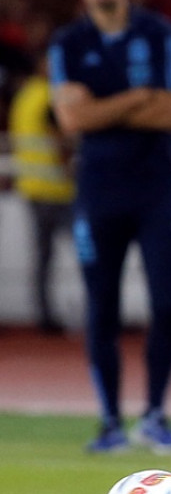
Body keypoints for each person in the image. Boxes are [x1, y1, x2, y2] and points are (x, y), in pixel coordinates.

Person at [49, 0, 171, 454]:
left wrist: (100, 108)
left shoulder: (159, 34)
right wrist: (138, 98)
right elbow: (71, 119)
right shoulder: (67, 43)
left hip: (159, 192)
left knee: (167, 304)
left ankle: (155, 414)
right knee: (101, 310)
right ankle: (110, 421)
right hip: (99, 194)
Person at [9, 66, 76, 334]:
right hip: (58, 189)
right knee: (90, 252)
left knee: (43, 257)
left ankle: (45, 316)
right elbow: (57, 136)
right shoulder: (52, 95)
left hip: (31, 187)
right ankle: (103, 311)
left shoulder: (25, 95)